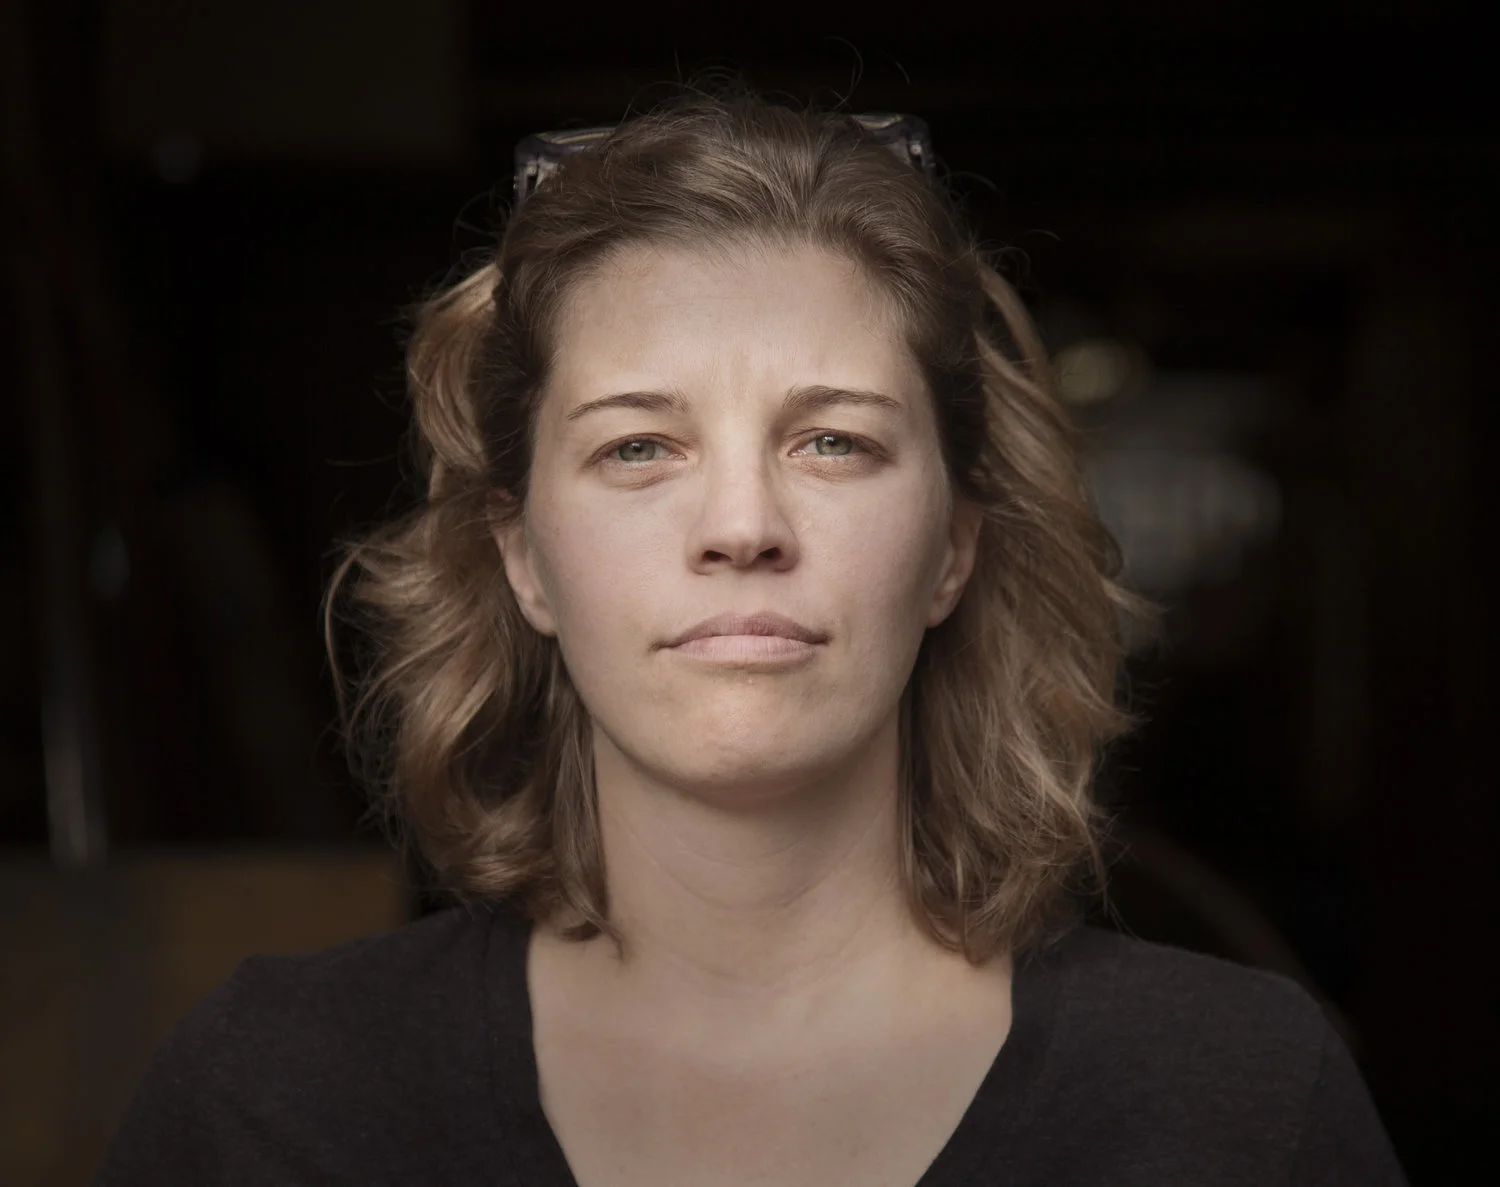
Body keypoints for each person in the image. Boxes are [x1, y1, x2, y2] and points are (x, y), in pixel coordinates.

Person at [94, 85, 1409, 1186]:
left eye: (832, 441)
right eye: (637, 447)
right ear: (523, 557)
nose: (742, 526)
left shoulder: (1240, 1103)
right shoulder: (270, 1102)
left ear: (953, 547)